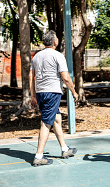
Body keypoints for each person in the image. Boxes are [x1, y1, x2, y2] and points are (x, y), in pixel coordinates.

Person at [30, 30, 79, 166]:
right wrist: (74, 92)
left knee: (56, 118)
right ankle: (39, 156)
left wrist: (33, 95)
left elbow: (30, 76)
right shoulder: (58, 56)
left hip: (41, 93)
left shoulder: (36, 56)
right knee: (46, 123)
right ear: (55, 42)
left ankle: (64, 149)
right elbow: (66, 77)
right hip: (52, 93)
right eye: (57, 37)